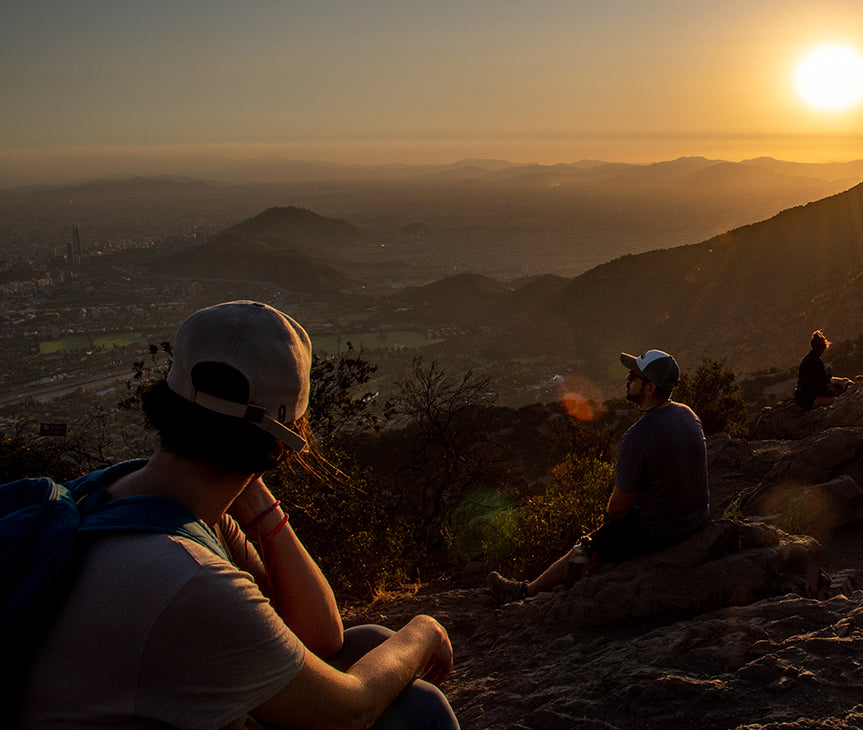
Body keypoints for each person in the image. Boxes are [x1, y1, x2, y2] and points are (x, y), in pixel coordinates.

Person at [20, 301, 458, 729]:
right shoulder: (189, 578)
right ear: (284, 442)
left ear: (166, 401)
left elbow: (320, 638)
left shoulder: (117, 494)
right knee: (419, 710)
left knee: (370, 644)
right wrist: (425, 628)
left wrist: (257, 499)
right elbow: (350, 711)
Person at [488, 349, 709, 602]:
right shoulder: (688, 414)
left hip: (662, 533)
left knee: (593, 541)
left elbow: (618, 510)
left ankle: (527, 592)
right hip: (697, 520)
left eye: (633, 375)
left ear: (649, 388)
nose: (627, 379)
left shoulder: (637, 437)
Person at [793, 331, 853, 410]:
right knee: (837, 401)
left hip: (801, 396)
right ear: (820, 348)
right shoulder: (816, 362)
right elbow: (820, 386)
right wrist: (833, 394)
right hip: (808, 400)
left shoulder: (806, 359)